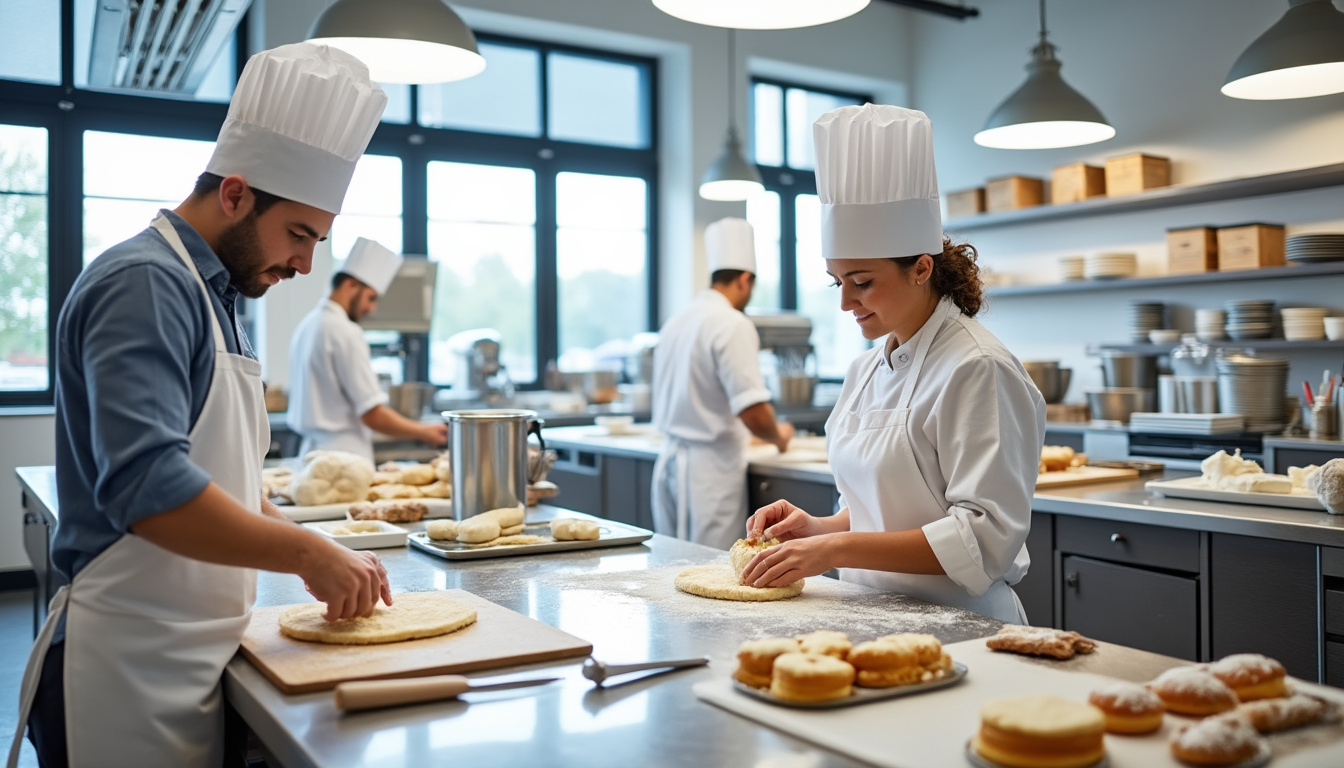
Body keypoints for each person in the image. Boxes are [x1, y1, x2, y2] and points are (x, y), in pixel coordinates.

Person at [10, 43, 394, 768]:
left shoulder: (212, 294)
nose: (306, 265)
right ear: (236, 194)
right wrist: (307, 550)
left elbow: (228, 488)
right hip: (125, 667)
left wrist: (323, 548)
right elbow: (149, 489)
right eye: (299, 235)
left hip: (185, 652)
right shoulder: (145, 284)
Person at [741, 105, 1046, 624]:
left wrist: (834, 553)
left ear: (921, 268)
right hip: (874, 618)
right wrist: (817, 529)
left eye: (862, 282)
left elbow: (984, 537)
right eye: (838, 283)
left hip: (965, 626)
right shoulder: (865, 371)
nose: (846, 303)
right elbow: (882, 511)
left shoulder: (977, 367)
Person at [651, 217, 794, 550]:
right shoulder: (732, 323)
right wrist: (780, 437)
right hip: (709, 475)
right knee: (709, 570)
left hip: (670, 462)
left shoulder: (678, 319)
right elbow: (754, 412)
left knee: (673, 567)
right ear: (745, 280)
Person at [288, 237, 447, 462]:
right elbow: (372, 414)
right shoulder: (345, 331)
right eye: (371, 298)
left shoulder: (309, 325)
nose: (371, 309)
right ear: (351, 284)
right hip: (345, 460)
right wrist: (424, 431)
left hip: (311, 455)